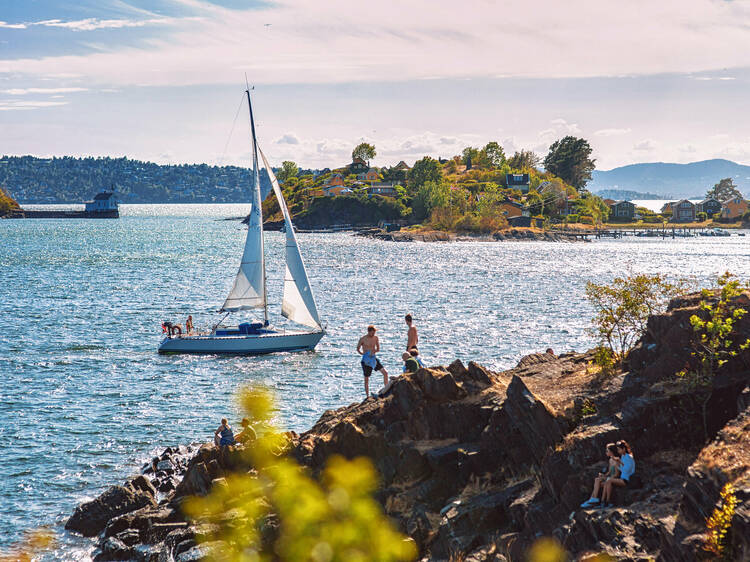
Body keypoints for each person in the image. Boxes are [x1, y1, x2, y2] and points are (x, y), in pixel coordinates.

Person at [580, 443, 621, 508]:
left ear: (611, 452)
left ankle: (593, 499)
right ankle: (592, 499)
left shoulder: (616, 461)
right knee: (597, 479)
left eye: (607, 451)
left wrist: (608, 478)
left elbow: (616, 474)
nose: (606, 452)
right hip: (609, 477)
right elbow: (609, 472)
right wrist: (604, 475)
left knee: (598, 481)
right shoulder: (610, 460)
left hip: (614, 479)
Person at [601, 440, 636, 507]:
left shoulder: (629, 457)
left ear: (624, 449)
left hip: (627, 479)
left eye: (619, 449)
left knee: (609, 480)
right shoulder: (623, 456)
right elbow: (623, 467)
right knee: (608, 482)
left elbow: (626, 470)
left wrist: (618, 464)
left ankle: (607, 501)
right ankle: (605, 501)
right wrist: (619, 462)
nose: (618, 451)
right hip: (622, 478)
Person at [357, 325, 388, 396]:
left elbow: (378, 349)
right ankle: (367, 395)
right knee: (366, 379)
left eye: (374, 332)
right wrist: (363, 353)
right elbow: (358, 349)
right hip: (366, 360)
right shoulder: (363, 339)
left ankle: (386, 390)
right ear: (369, 331)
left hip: (373, 358)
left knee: (385, 373)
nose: (373, 334)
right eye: (372, 333)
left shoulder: (376, 338)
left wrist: (374, 351)